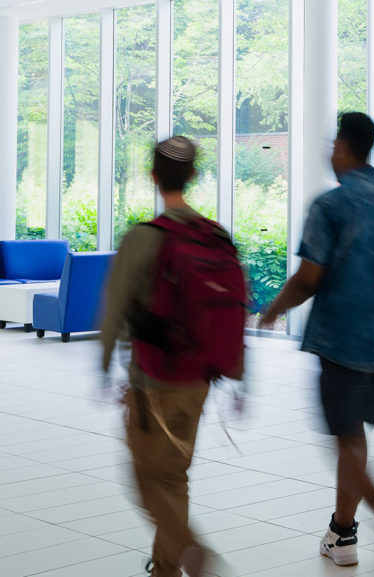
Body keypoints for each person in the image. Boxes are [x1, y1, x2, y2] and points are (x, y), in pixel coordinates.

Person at [259, 112, 374, 566]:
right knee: (353, 437)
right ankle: (342, 533)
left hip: (343, 341)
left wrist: (273, 310)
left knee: (346, 439)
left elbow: (309, 278)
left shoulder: (331, 206)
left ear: (342, 146)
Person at [101, 136, 245, 577]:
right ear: (193, 176)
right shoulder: (217, 236)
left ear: (153, 176)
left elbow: (113, 311)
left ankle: (187, 550)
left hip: (154, 382)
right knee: (175, 474)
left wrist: (103, 365)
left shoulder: (145, 237)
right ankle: (166, 566)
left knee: (146, 478)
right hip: (200, 380)